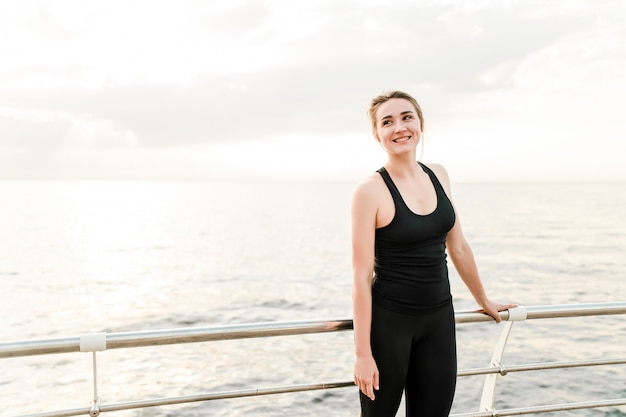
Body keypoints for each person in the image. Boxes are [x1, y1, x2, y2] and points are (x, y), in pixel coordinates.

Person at [351, 90, 516, 417]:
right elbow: (360, 276)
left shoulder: (438, 174)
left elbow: (458, 245)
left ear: (420, 124)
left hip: (439, 321)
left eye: (406, 117)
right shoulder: (369, 191)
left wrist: (483, 299)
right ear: (377, 134)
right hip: (389, 327)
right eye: (388, 121)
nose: (399, 127)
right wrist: (362, 354)